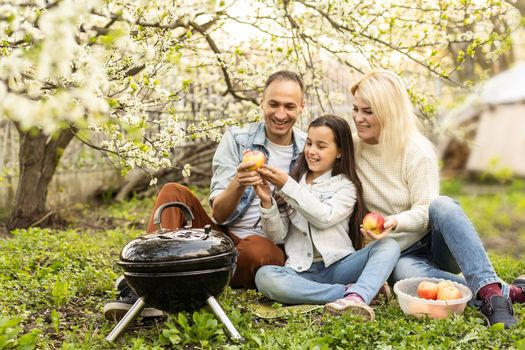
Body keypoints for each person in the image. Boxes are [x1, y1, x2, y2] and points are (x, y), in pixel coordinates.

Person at [103, 70, 307, 321]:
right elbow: (219, 213)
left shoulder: (308, 151)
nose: (280, 114)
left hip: (264, 246)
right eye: (273, 104)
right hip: (219, 239)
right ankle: (144, 285)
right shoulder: (237, 139)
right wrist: (238, 182)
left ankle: (175, 280)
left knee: (258, 252)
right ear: (261, 101)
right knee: (172, 191)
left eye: (289, 106)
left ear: (301, 108)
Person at [350, 69, 523, 328]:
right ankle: (508, 293)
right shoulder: (352, 148)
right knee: (404, 276)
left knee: (442, 204)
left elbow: (424, 210)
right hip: (399, 253)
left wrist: (393, 222)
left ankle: (490, 296)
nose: (358, 118)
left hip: (434, 241)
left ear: (388, 111)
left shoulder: (416, 150)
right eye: (356, 109)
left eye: (368, 111)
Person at [253, 114, 401, 320]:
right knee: (265, 277)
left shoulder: (345, 186)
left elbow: (323, 217)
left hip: (339, 266)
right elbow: (277, 235)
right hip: (301, 272)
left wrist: (287, 186)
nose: (312, 151)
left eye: (321, 146)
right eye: (309, 143)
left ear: (339, 152)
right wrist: (267, 201)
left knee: (389, 245)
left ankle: (355, 294)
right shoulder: (294, 184)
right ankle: (352, 294)